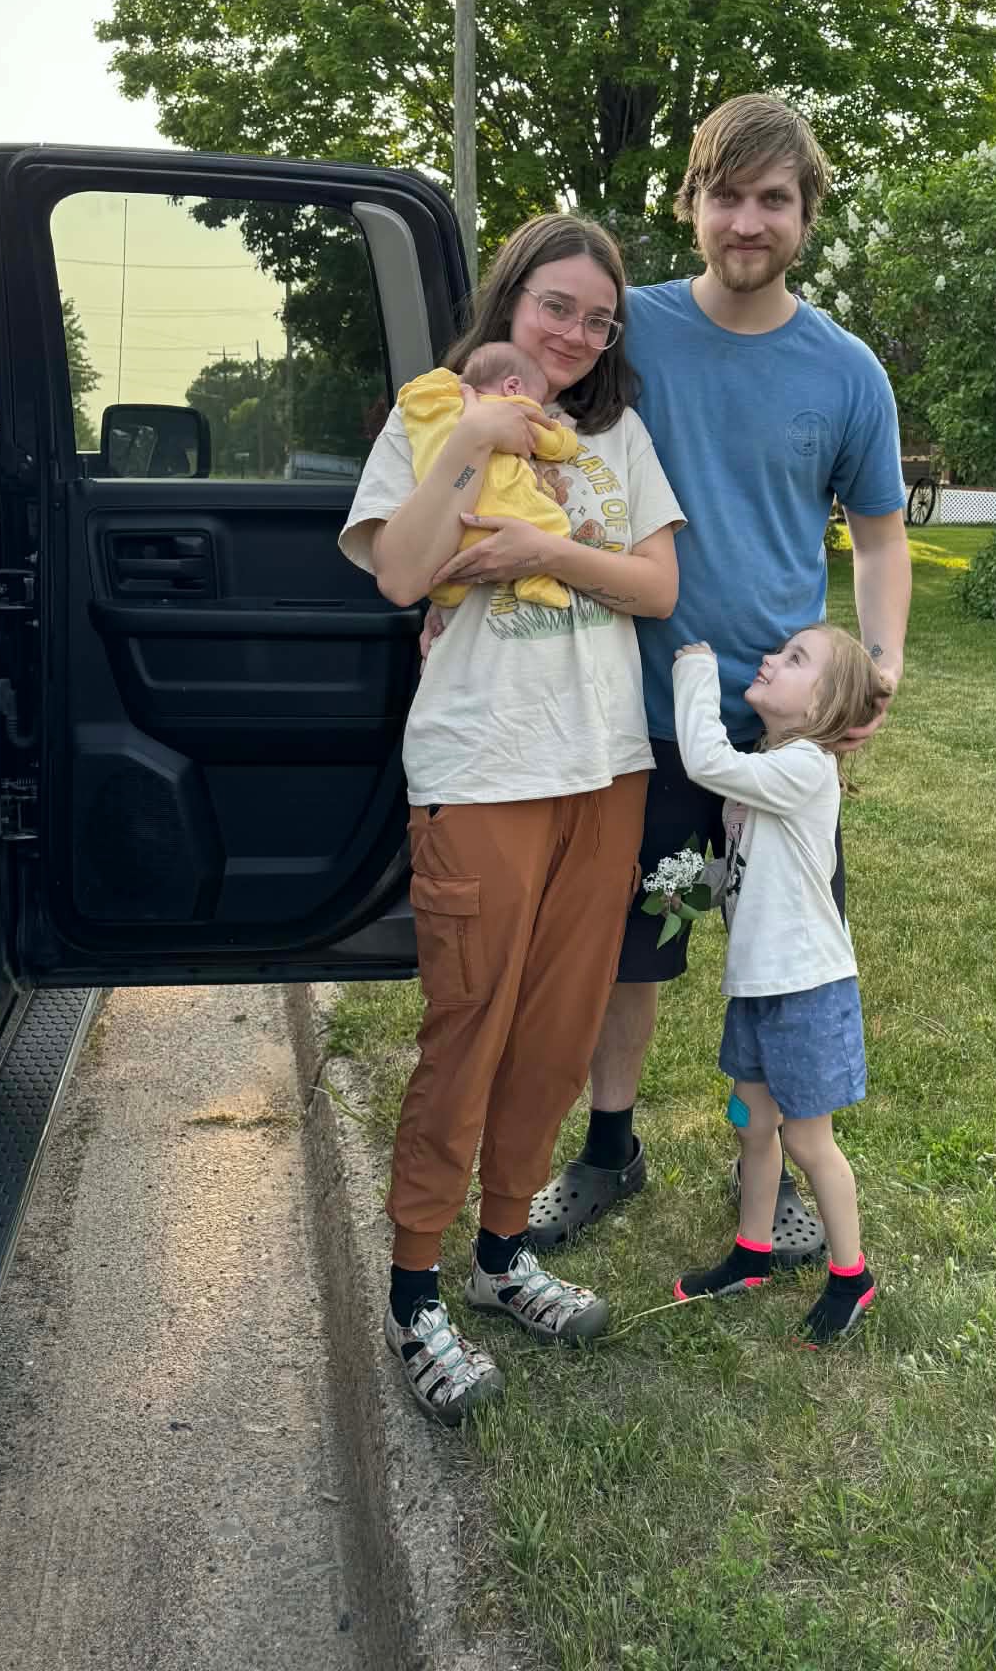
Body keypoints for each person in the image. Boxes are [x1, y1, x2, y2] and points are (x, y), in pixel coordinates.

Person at [530, 94, 911, 1266]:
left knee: (791, 966)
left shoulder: (847, 371)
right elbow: (526, 426)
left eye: (773, 199)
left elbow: (880, 537)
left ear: (807, 212)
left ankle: (789, 1172)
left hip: (780, 735)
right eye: (727, 195)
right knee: (626, 955)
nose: (748, 221)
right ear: (691, 201)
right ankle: (609, 1149)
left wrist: (882, 663)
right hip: (633, 715)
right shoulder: (627, 334)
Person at [339, 215, 684, 1426]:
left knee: (556, 1031)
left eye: (599, 319)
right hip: (483, 764)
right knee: (470, 1029)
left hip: (606, 765)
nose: (577, 335)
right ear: (511, 298)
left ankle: (499, 1256)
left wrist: (545, 545)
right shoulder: (433, 412)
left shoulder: (615, 433)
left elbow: (658, 585)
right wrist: (478, 441)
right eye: (557, 306)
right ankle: (412, 1290)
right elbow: (400, 573)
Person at [670, 626, 891, 1345]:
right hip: (760, 985)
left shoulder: (806, 767)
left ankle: (851, 1275)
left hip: (806, 989)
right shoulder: (771, 767)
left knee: (806, 1138)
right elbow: (751, 866)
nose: (770, 658)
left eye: (795, 659)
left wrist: (695, 671)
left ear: (822, 708)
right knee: (751, 1121)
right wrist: (690, 889)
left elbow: (705, 759)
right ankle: (752, 1253)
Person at [399, 340, 578, 611]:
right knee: (553, 523)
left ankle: (446, 593)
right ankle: (536, 581)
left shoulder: (438, 408)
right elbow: (552, 444)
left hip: (450, 524)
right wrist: (563, 434)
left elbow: (415, 392)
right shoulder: (512, 410)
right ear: (513, 387)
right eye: (538, 401)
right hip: (501, 512)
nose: (538, 409)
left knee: (454, 568)